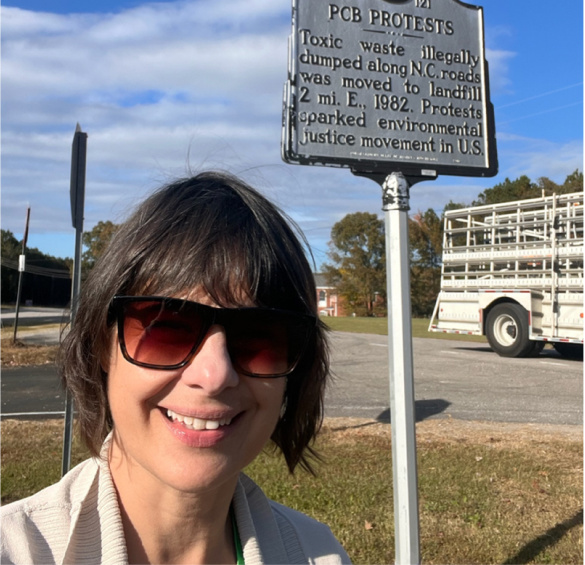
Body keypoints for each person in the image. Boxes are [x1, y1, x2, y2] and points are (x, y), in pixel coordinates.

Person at [1, 172, 351, 565]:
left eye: (258, 337)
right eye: (166, 329)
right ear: (103, 344)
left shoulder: (319, 555)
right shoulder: (16, 550)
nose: (215, 375)